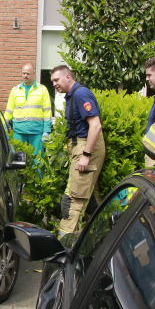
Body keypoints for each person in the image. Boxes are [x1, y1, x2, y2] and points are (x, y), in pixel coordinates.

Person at [49, 65, 106, 239]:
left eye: (56, 80)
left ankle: (64, 245)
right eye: (52, 81)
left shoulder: (81, 94)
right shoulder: (72, 95)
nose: (54, 84)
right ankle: (103, 238)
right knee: (91, 200)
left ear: (68, 77)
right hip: (80, 146)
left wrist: (86, 155)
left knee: (72, 200)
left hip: (86, 148)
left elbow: (95, 125)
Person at [4, 63, 52, 155]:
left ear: (33, 74)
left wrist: (46, 131)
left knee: (37, 159)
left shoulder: (42, 90)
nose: (25, 76)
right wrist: (4, 128)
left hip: (36, 132)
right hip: (19, 131)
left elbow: (47, 112)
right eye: (24, 73)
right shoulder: (15, 90)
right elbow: (9, 111)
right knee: (17, 158)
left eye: (28, 74)